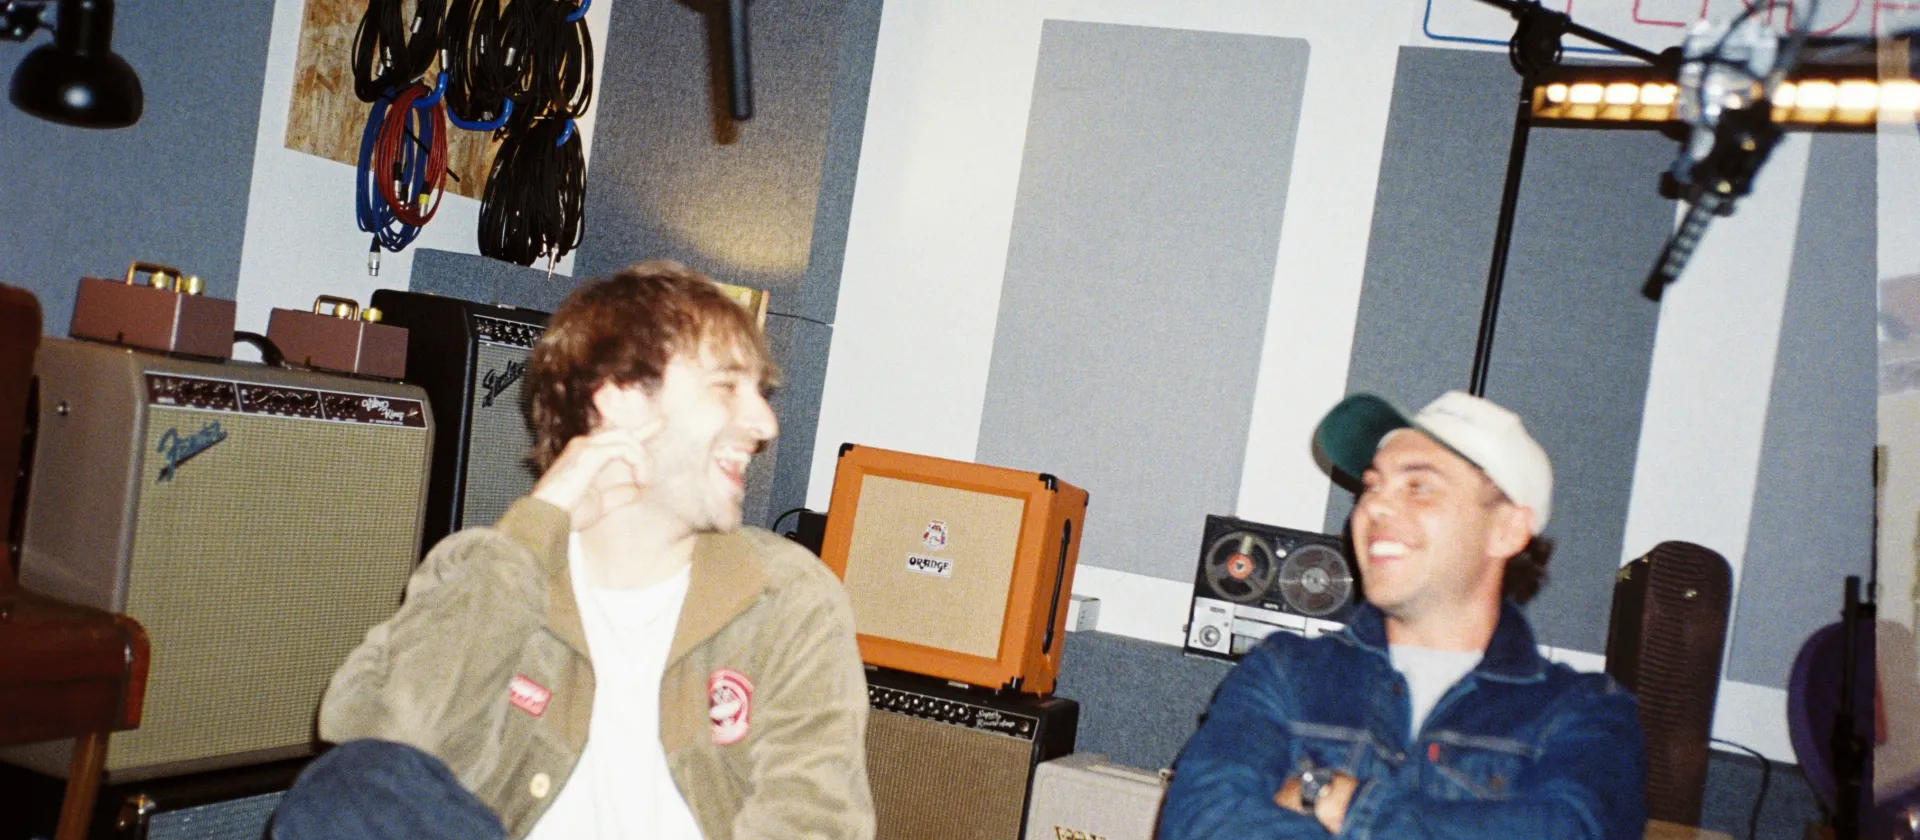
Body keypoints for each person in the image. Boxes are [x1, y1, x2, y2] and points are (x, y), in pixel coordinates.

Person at [272, 261, 875, 840]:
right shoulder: (490, 570)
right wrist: (538, 523)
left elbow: (815, 824)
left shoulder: (785, 598)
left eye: (760, 393)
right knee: (341, 791)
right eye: (727, 387)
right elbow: (378, 747)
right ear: (620, 398)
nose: (766, 424)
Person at [1158, 391, 1646, 840]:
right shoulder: (1284, 671)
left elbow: (1572, 829)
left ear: (1507, 530)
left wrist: (1335, 799)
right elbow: (1199, 823)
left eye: (1419, 486)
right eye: (1371, 487)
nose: (1374, 507)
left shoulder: (1583, 711)